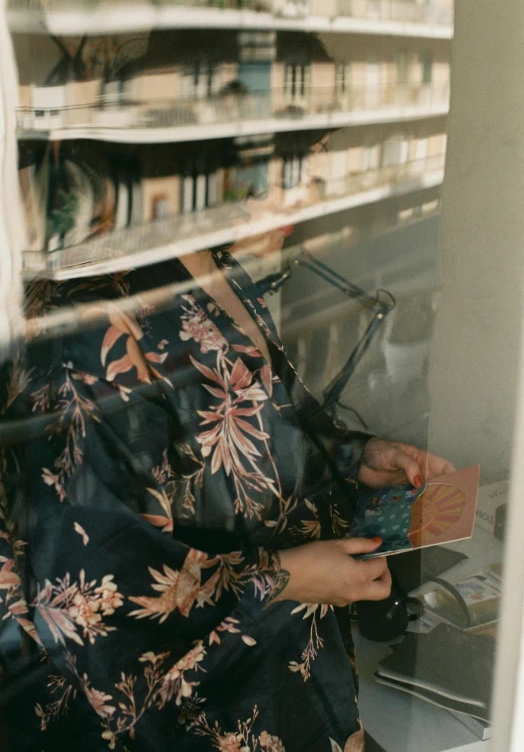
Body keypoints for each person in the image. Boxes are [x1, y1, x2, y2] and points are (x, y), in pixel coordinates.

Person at [0, 228, 454, 752]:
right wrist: (281, 579)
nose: (306, 193)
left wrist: (355, 457)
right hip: (192, 721)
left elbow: (257, 429)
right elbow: (90, 601)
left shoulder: (211, 260)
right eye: (289, 158)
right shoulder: (86, 329)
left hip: (294, 684)